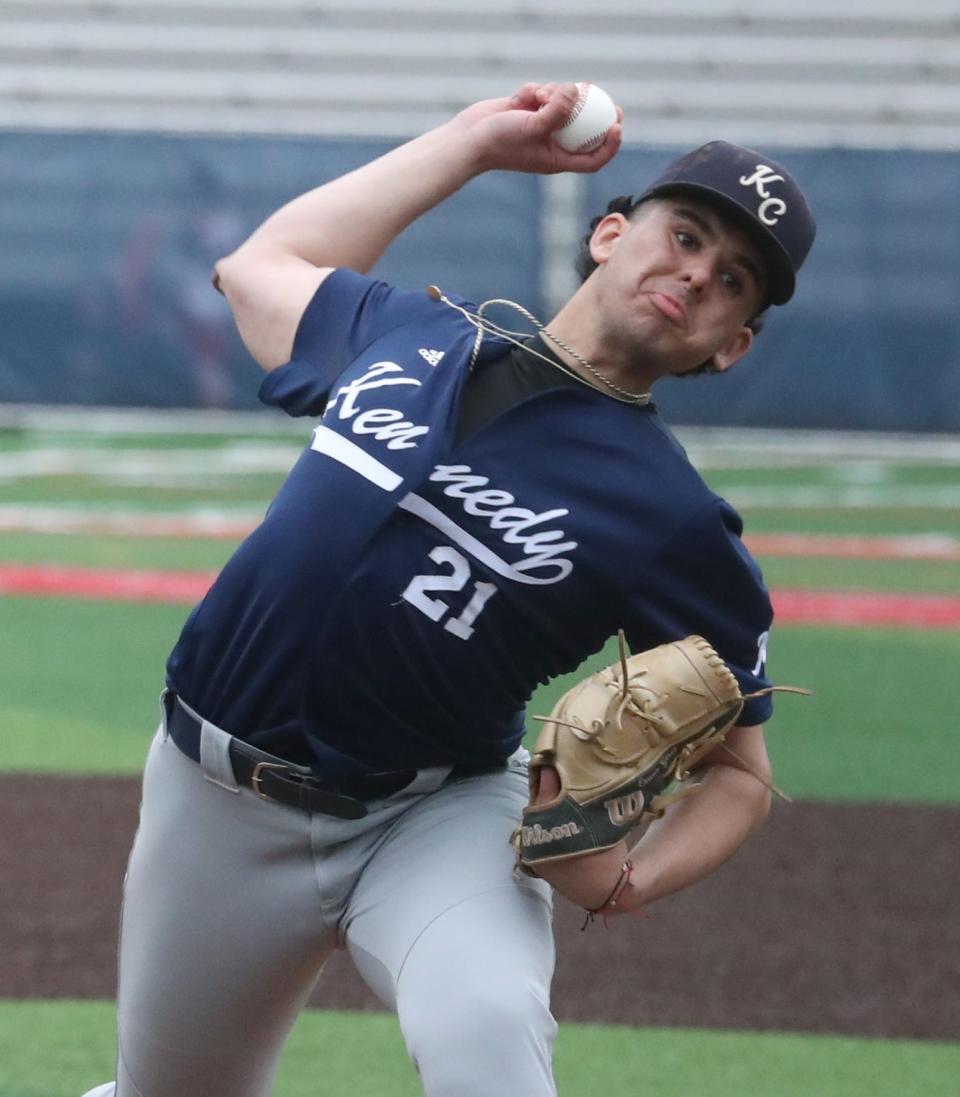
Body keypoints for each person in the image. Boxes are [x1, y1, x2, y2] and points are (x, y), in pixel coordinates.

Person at [82, 81, 815, 1097]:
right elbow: (257, 267)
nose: (696, 272)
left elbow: (740, 770)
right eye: (685, 234)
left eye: (734, 280)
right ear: (610, 234)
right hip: (216, 796)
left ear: (731, 345)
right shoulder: (411, 334)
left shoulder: (674, 519)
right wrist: (470, 142)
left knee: (489, 1026)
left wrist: (631, 876)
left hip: (435, 817)